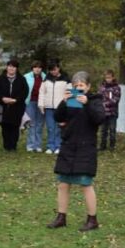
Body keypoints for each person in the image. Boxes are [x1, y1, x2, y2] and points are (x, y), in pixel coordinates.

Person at [47, 72, 104, 231]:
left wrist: (87, 104)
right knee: (63, 184)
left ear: (88, 86)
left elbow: (99, 119)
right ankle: (61, 217)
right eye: (76, 85)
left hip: (86, 147)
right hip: (69, 146)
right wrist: (63, 102)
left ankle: (92, 220)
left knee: (85, 184)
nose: (79, 88)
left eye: (81, 85)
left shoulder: (95, 100)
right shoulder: (70, 100)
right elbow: (58, 117)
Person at [0, 59, 28, 151]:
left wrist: (16, 100)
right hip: (3, 106)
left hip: (17, 107)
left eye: (14, 67)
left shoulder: (22, 79)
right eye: (10, 66)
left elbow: (25, 92)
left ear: (16, 68)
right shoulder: (0, 78)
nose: (11, 68)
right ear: (7, 67)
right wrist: (2, 98)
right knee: (5, 126)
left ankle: (13, 146)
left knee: (15, 126)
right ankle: (6, 146)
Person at [38, 61, 69, 154]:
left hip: (60, 107)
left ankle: (59, 146)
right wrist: (41, 104)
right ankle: (50, 146)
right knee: (50, 128)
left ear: (59, 68)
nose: (53, 71)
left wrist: (66, 104)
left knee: (59, 127)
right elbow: (42, 92)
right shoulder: (46, 80)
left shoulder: (66, 79)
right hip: (48, 108)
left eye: (55, 69)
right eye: (51, 70)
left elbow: (69, 92)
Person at [23, 61, 45, 152]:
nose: (37, 69)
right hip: (30, 102)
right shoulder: (26, 77)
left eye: (39, 67)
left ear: (41, 69)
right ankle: (30, 145)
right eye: (35, 67)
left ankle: (38, 145)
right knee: (31, 123)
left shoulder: (45, 77)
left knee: (39, 124)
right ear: (32, 68)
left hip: (41, 103)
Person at [98, 70, 122, 151]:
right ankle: (102, 146)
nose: (108, 79)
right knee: (103, 130)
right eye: (106, 78)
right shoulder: (102, 87)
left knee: (112, 130)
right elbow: (99, 97)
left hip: (112, 113)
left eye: (109, 78)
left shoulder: (116, 88)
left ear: (113, 77)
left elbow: (115, 100)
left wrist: (105, 104)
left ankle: (112, 146)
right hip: (103, 113)